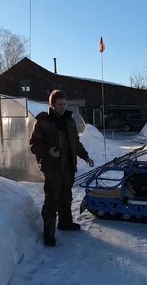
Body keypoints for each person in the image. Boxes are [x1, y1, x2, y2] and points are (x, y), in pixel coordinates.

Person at [30, 90, 94, 247]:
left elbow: (76, 143)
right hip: (52, 168)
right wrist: (48, 151)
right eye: (59, 104)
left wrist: (85, 156)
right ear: (52, 104)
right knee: (52, 200)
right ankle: (48, 234)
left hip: (68, 166)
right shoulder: (43, 121)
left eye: (64, 104)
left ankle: (65, 223)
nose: (62, 107)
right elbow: (34, 145)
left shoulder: (69, 121)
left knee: (66, 197)